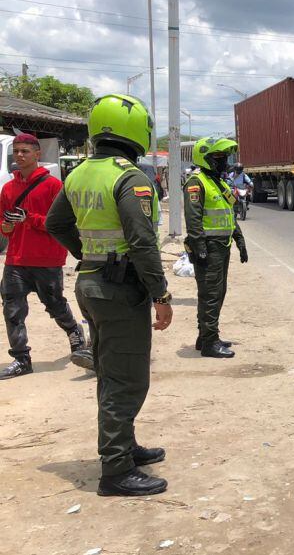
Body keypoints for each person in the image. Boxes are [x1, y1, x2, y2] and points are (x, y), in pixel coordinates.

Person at [46, 94, 174, 497]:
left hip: (91, 285)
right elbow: (142, 242)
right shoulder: (131, 177)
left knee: (111, 371)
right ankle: (116, 469)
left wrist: (87, 255)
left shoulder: (80, 173)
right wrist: (162, 294)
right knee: (127, 379)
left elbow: (55, 223)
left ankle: (126, 447)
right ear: (134, 130)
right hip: (120, 291)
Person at [0, 133, 89, 379]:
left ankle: (75, 333)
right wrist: (6, 226)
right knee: (12, 310)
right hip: (16, 260)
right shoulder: (7, 188)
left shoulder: (54, 187)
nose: (19, 155)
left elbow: (61, 223)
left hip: (47, 259)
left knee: (55, 305)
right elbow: (3, 223)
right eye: (16, 151)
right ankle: (21, 359)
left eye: (25, 151)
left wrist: (30, 218)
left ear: (37, 155)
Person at [184, 137, 248, 358]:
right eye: (218, 157)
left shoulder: (218, 182)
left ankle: (206, 337)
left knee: (218, 292)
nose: (223, 161)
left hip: (222, 246)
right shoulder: (197, 181)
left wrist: (239, 239)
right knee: (210, 294)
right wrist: (199, 245)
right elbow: (193, 219)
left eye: (224, 157)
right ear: (205, 158)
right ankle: (210, 342)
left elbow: (229, 213)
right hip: (208, 248)